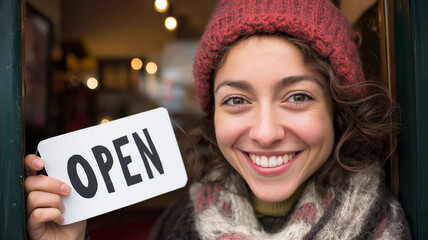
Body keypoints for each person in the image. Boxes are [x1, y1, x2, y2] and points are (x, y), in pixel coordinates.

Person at [24, 0, 411, 239]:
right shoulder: (179, 228)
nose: (264, 133)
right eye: (237, 99)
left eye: (298, 96)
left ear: (338, 110)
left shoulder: (380, 227)